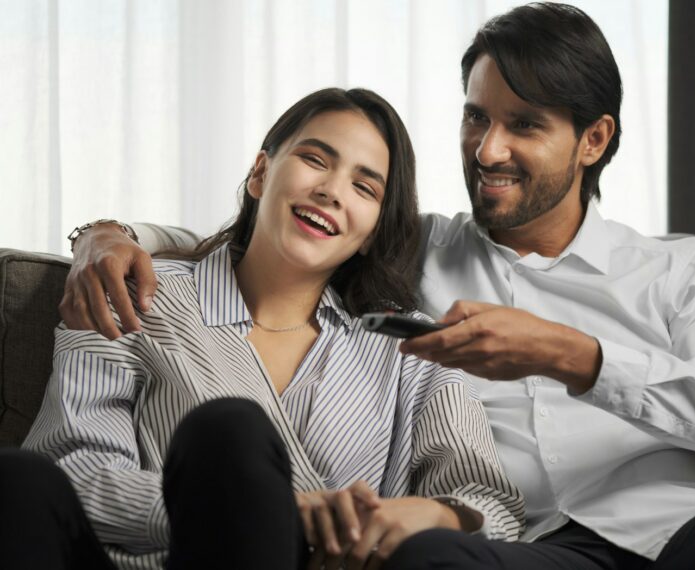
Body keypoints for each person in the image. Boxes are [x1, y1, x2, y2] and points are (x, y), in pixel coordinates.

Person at [54, 3, 695, 569]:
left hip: (687, 540)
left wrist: (570, 354)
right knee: (430, 557)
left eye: (525, 124)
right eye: (477, 118)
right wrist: (107, 237)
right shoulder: (416, 247)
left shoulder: (684, 268)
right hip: (528, 554)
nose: (488, 149)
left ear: (594, 140)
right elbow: (277, 229)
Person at [0, 87, 524, 570]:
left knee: (229, 429)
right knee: (21, 478)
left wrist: (429, 515)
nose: (331, 191)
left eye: (364, 187)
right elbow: (77, 470)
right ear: (260, 173)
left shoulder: (412, 349)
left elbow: (490, 504)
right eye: (315, 160)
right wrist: (256, 511)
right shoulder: (130, 295)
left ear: (371, 232)